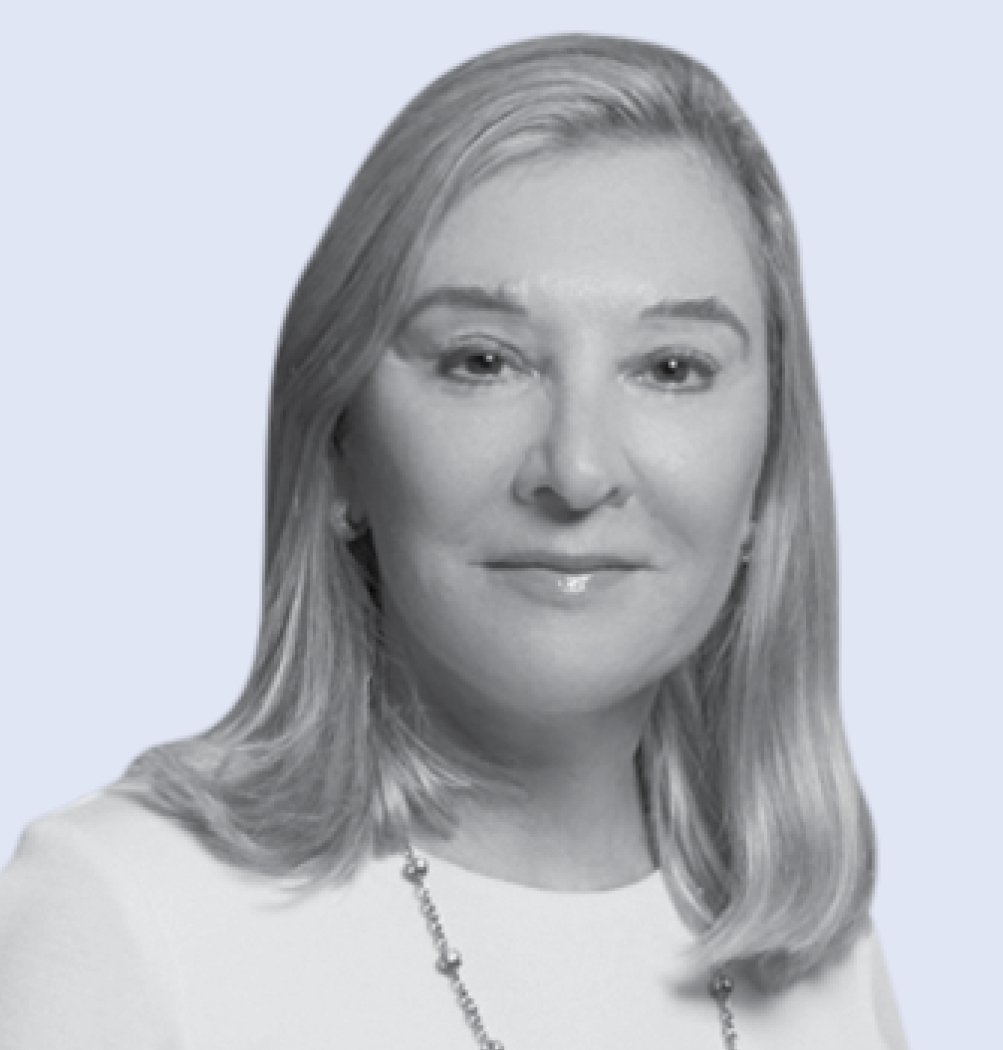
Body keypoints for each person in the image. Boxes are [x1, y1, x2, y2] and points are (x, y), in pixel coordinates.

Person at [0, 34, 908, 1050]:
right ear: (339, 447)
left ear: (769, 472)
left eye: (670, 369)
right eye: (483, 361)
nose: (576, 470)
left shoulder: (819, 960)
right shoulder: (123, 920)